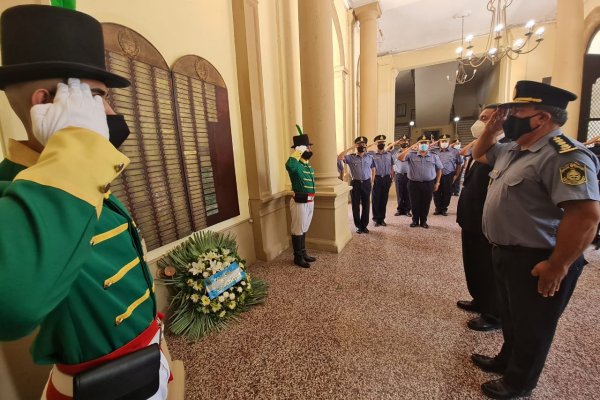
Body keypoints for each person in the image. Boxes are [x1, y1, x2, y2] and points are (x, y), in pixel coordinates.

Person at [0, 5, 172, 399]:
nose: (111, 113)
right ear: (44, 102)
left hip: (144, 361)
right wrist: (77, 149)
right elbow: (14, 302)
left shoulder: (80, 175)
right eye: (97, 97)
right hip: (105, 387)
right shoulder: (13, 188)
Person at [472, 80, 600, 399]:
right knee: (513, 317)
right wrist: (493, 129)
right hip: (507, 252)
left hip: (538, 257)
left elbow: (584, 216)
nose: (510, 114)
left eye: (517, 110)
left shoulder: (565, 156)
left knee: (534, 325)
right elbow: (480, 153)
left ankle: (519, 383)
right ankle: (505, 360)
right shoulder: (516, 149)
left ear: (541, 118)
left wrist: (558, 265)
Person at [456, 104, 503, 332]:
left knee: (489, 268)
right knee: (474, 264)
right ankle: (479, 299)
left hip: (487, 222)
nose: (480, 121)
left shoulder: (503, 148)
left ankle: (493, 313)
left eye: (486, 117)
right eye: (480, 117)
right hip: (471, 217)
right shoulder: (484, 146)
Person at [286, 125, 316, 268]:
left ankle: (303, 253)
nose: (310, 150)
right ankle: (297, 257)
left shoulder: (307, 166)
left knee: (304, 228)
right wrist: (298, 151)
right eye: (307, 147)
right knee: (297, 229)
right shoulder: (296, 164)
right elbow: (289, 166)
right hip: (299, 202)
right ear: (300, 149)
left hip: (310, 201)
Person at [397, 134, 442, 228]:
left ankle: (424, 221)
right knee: (414, 203)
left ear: (429, 144)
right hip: (413, 183)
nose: (424, 144)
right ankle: (415, 221)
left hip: (428, 183)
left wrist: (437, 182)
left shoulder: (434, 156)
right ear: (417, 144)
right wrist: (410, 147)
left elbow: (439, 169)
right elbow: (400, 158)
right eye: (421, 143)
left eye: (426, 143)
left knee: (426, 203)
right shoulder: (411, 155)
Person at [338, 136, 375, 233]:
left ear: (366, 145)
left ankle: (364, 225)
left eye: (363, 144)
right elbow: (339, 157)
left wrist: (372, 180)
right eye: (359, 144)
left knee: (366, 205)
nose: (361, 146)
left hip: (366, 183)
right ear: (356, 145)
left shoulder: (370, 157)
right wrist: (351, 147)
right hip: (355, 183)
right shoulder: (351, 157)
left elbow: (373, 169)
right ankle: (358, 226)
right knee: (355, 205)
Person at [432, 134, 462, 216]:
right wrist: (434, 143)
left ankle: (444, 209)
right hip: (436, 174)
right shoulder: (434, 151)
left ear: (449, 141)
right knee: (436, 192)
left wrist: (456, 175)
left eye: (446, 141)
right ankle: (438, 208)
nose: (444, 142)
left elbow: (459, 164)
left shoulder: (454, 151)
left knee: (447, 192)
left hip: (448, 175)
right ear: (439, 141)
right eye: (442, 141)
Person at [370, 134, 394, 226]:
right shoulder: (372, 155)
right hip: (377, 178)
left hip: (387, 178)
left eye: (383, 142)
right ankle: (376, 219)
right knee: (376, 199)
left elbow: (392, 167)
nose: (381, 144)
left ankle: (382, 219)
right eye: (379, 142)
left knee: (384, 199)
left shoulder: (389, 155)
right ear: (376, 144)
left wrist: (392, 178)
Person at [392, 137, 411, 217]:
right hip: (398, 175)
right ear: (399, 143)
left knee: (408, 193)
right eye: (402, 141)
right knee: (399, 193)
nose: (404, 142)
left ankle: (407, 210)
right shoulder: (395, 152)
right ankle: (400, 210)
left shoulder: (412, 152)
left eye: (406, 141)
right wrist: (392, 176)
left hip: (408, 175)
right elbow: (398, 159)